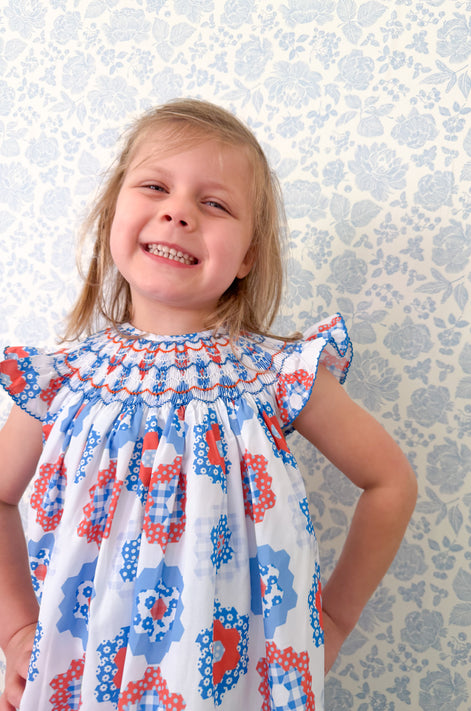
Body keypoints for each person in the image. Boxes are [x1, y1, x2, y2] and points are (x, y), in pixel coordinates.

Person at [0, 98, 417, 711]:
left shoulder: (275, 375)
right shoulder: (65, 378)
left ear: (248, 256)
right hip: (80, 673)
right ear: (115, 211)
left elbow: (390, 481)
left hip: (236, 679)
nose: (177, 213)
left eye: (214, 203)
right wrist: (16, 632)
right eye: (154, 186)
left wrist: (335, 620)